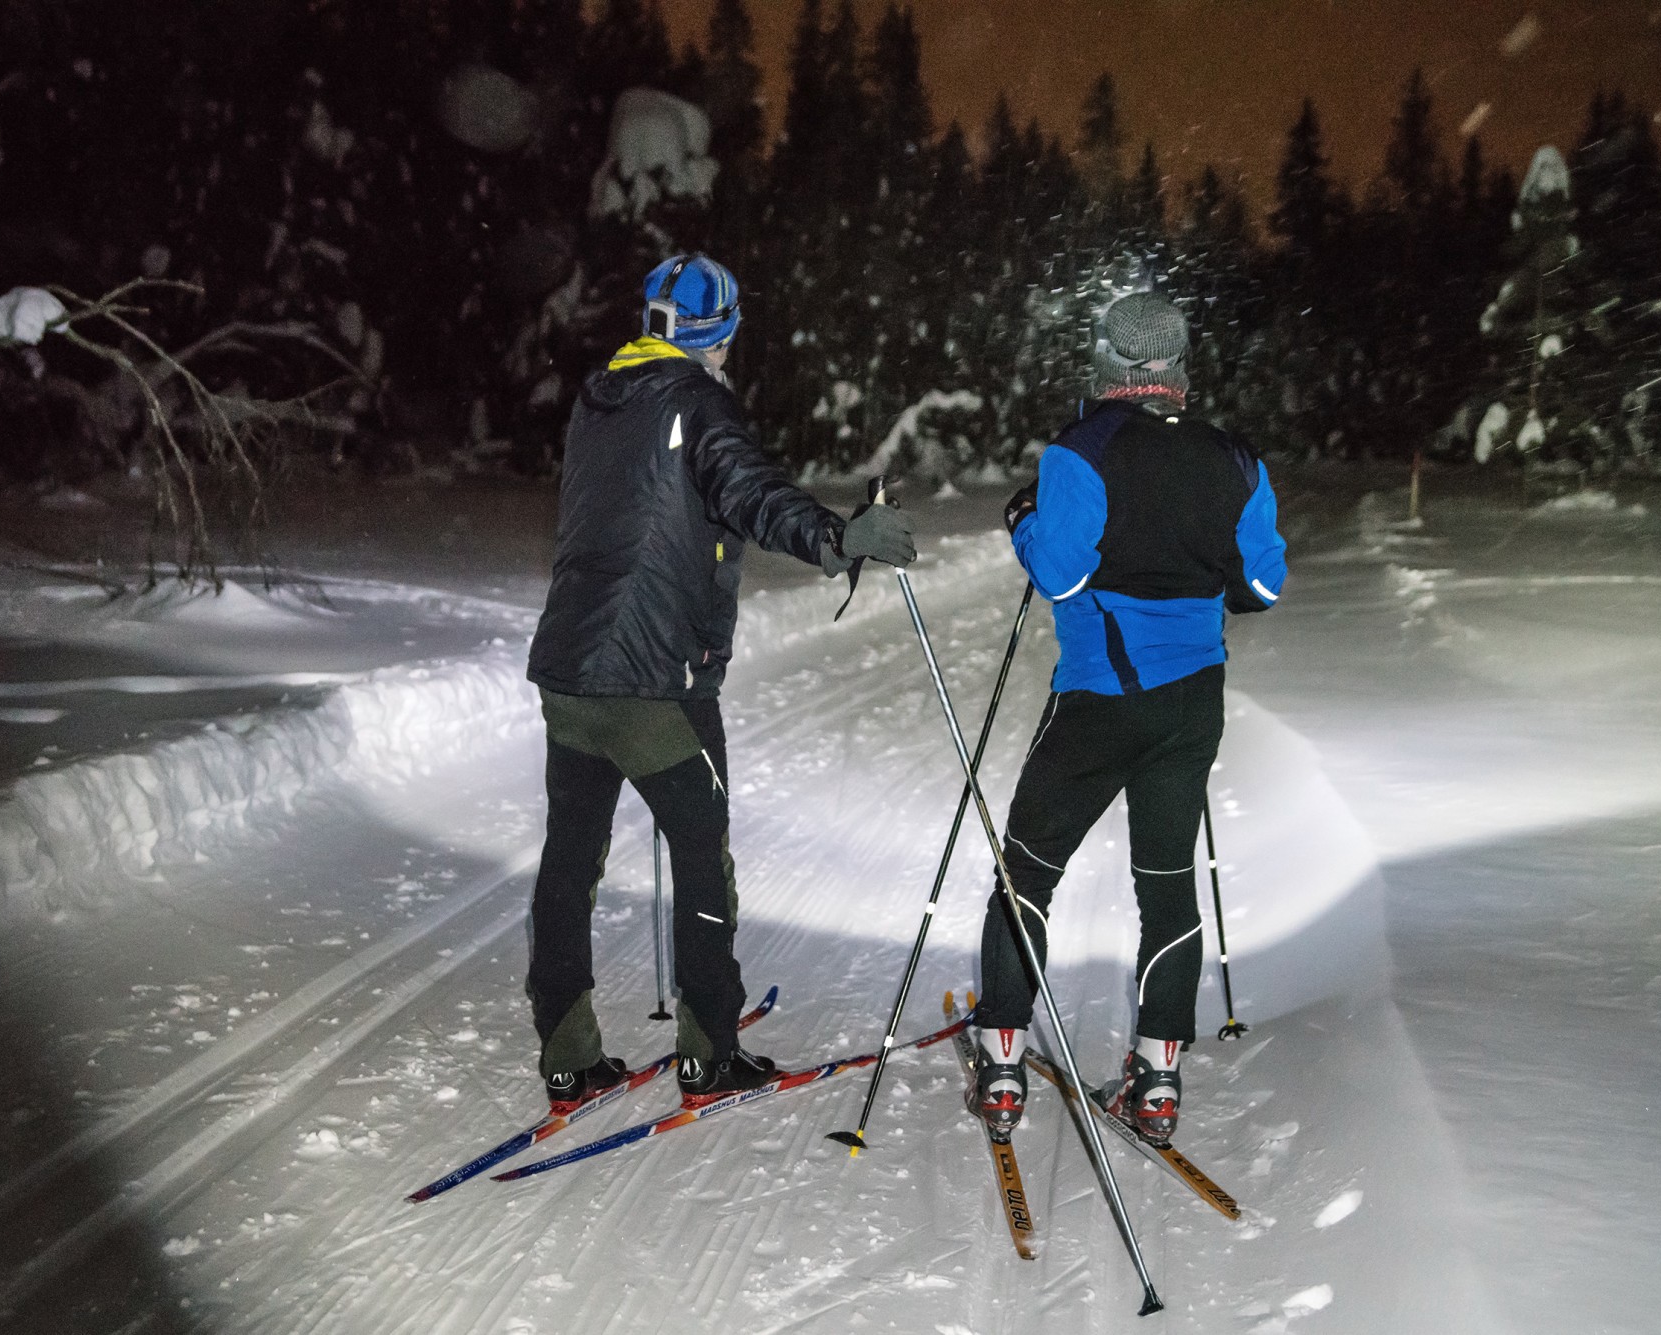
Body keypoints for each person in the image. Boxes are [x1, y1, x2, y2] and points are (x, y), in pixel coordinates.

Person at [525, 253, 917, 1112]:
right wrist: (837, 539)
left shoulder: (598, 399)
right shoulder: (699, 403)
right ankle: (708, 1050)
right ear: (720, 331)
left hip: (570, 672)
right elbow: (754, 493)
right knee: (703, 858)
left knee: (569, 862)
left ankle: (567, 1055)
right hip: (659, 683)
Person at [966, 290, 1286, 1146]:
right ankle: (1158, 1079)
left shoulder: (1080, 451)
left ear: (1106, 364)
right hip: (1192, 704)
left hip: (1100, 700)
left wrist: (1025, 521)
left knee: (1027, 864)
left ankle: (1001, 1055)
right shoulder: (1233, 458)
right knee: (1166, 884)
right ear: (1179, 367)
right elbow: (1262, 586)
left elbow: (1060, 574)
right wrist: (1194, 562)